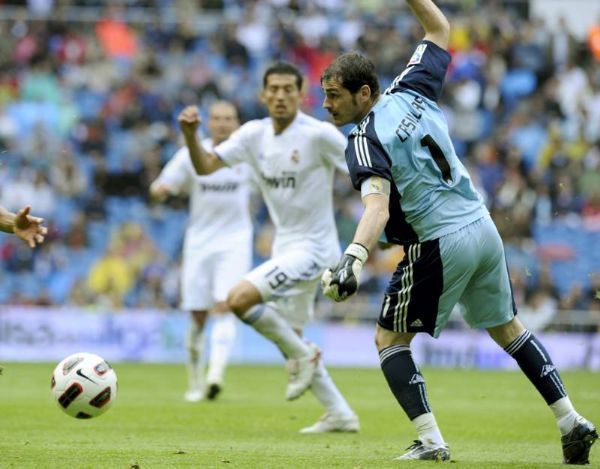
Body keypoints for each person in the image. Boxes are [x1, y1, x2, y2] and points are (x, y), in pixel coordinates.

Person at [319, 0, 597, 463]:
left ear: (363, 93)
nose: (326, 104)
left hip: (441, 241)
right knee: (509, 329)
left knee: (389, 340)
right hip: (483, 227)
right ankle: (571, 420)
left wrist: (352, 257)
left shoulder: (364, 139)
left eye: (333, 95)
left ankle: (431, 442)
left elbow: (377, 208)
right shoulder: (411, 86)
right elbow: (439, 25)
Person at [177, 62, 359, 433]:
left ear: (300, 94)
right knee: (291, 342)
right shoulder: (252, 136)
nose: (279, 95)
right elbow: (206, 166)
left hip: (317, 249)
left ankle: (305, 356)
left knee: (239, 299)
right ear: (262, 94)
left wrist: (381, 222)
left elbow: (364, 169)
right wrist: (191, 136)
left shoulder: (318, 135)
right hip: (285, 248)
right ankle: (340, 413)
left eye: (287, 89)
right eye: (272, 89)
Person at [150, 101, 252, 402]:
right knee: (197, 314)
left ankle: (215, 376)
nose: (222, 123)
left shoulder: (247, 153)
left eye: (228, 118)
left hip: (235, 240)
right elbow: (162, 185)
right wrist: (161, 191)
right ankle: (195, 382)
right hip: (199, 242)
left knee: (225, 305)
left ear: (237, 123)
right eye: (217, 118)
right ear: (208, 123)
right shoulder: (191, 153)